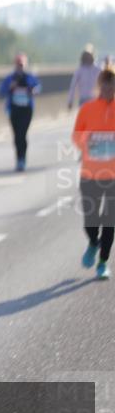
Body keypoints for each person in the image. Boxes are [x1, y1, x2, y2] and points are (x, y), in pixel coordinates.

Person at [72, 68, 115, 280]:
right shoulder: (87, 109)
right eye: (105, 83)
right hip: (90, 174)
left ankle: (103, 262)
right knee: (91, 220)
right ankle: (92, 242)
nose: (109, 87)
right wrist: (87, 143)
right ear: (100, 85)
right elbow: (76, 136)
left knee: (109, 221)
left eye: (112, 83)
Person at [0, 53, 41, 172]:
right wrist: (10, 88)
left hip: (26, 110)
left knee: (23, 134)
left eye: (22, 65)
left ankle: (22, 159)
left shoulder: (29, 77)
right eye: (18, 65)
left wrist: (32, 90)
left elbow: (38, 87)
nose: (20, 67)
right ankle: (19, 159)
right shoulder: (10, 78)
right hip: (14, 110)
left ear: (25, 65)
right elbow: (1, 91)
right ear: (15, 65)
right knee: (17, 135)